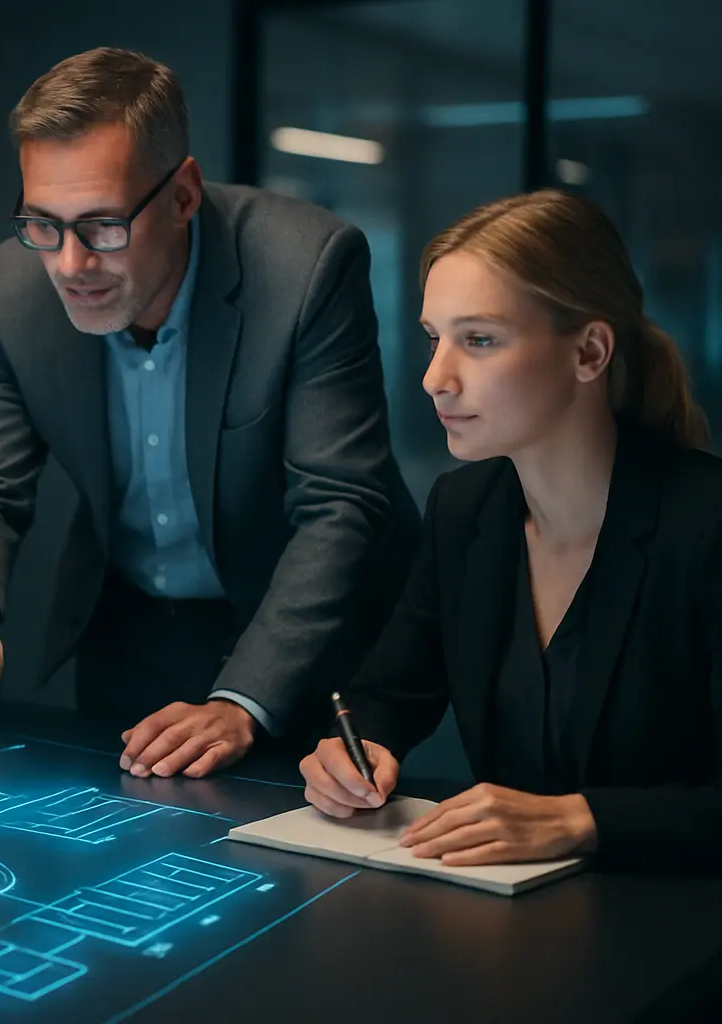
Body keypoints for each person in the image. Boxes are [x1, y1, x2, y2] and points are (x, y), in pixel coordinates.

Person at [0, 47, 419, 777]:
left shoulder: (307, 268)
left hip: (298, 633)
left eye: (103, 226)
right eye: (42, 224)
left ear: (183, 195)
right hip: (130, 624)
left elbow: (341, 505)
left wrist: (243, 700)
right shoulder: (12, 287)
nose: (69, 265)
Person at [300, 189, 722, 873]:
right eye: (436, 338)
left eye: (481, 340)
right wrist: (352, 754)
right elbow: (384, 698)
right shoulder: (464, 511)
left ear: (589, 352)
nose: (436, 378)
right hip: (510, 923)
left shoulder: (704, 524)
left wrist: (577, 819)